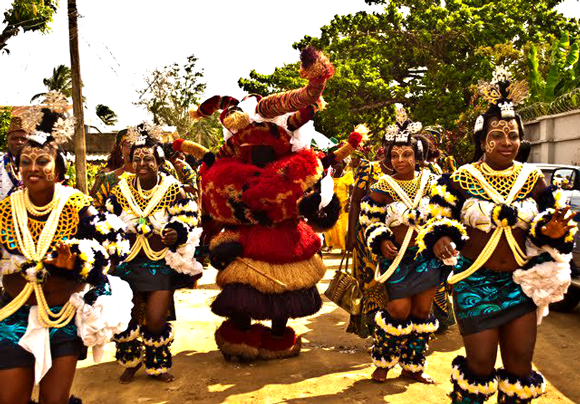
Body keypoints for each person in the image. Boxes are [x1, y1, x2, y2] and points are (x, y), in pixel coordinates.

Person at [418, 67, 577, 403]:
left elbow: (553, 227)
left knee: (520, 368)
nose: (507, 142)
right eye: (497, 135)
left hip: (521, 283)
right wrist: (441, 238)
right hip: (474, 281)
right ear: (482, 140)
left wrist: (553, 231)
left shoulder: (534, 179)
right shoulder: (460, 178)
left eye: (513, 135)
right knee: (480, 365)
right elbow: (434, 219)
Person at [175, 46, 341, 361]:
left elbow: (318, 208)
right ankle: (241, 333)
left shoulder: (299, 166)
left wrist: (314, 201)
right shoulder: (227, 162)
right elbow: (214, 192)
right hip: (247, 240)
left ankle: (278, 336)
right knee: (242, 292)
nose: (256, 142)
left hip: (286, 237)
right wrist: (215, 233)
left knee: (287, 292)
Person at [0, 92, 132, 404]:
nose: (33, 168)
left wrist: (79, 261)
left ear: (58, 170)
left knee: (54, 401)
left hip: (62, 319)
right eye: (25, 162)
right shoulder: (6, 210)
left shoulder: (77, 205)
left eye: (42, 161)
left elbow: (115, 245)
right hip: (14, 315)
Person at [107, 122, 202, 383]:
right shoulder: (120, 189)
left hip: (160, 262)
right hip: (129, 262)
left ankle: (157, 364)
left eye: (148, 158)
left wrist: (176, 231)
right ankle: (131, 361)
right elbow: (108, 220)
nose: (142, 163)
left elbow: (188, 217)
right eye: (137, 159)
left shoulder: (172, 188)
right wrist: (115, 235)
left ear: (158, 161)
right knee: (126, 316)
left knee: (156, 320)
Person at [358, 108, 443, 384]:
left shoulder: (431, 182)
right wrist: (381, 239)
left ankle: (413, 366)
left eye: (406, 154)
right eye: (394, 155)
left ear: (417, 156)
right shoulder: (384, 185)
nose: (400, 160)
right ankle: (383, 362)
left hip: (427, 259)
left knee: (422, 313)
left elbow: (446, 213)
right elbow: (369, 216)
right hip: (397, 260)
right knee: (398, 311)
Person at [345, 145, 393, 338]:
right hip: (368, 240)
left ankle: (397, 331)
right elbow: (355, 201)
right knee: (372, 284)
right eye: (390, 144)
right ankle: (376, 333)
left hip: (401, 239)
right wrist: (350, 234)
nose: (395, 151)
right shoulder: (370, 168)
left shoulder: (413, 172)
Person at [0, 116, 28, 200]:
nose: (19, 142)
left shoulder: (37, 165)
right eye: (14, 138)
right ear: (7, 141)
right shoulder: (1, 163)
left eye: (23, 139)